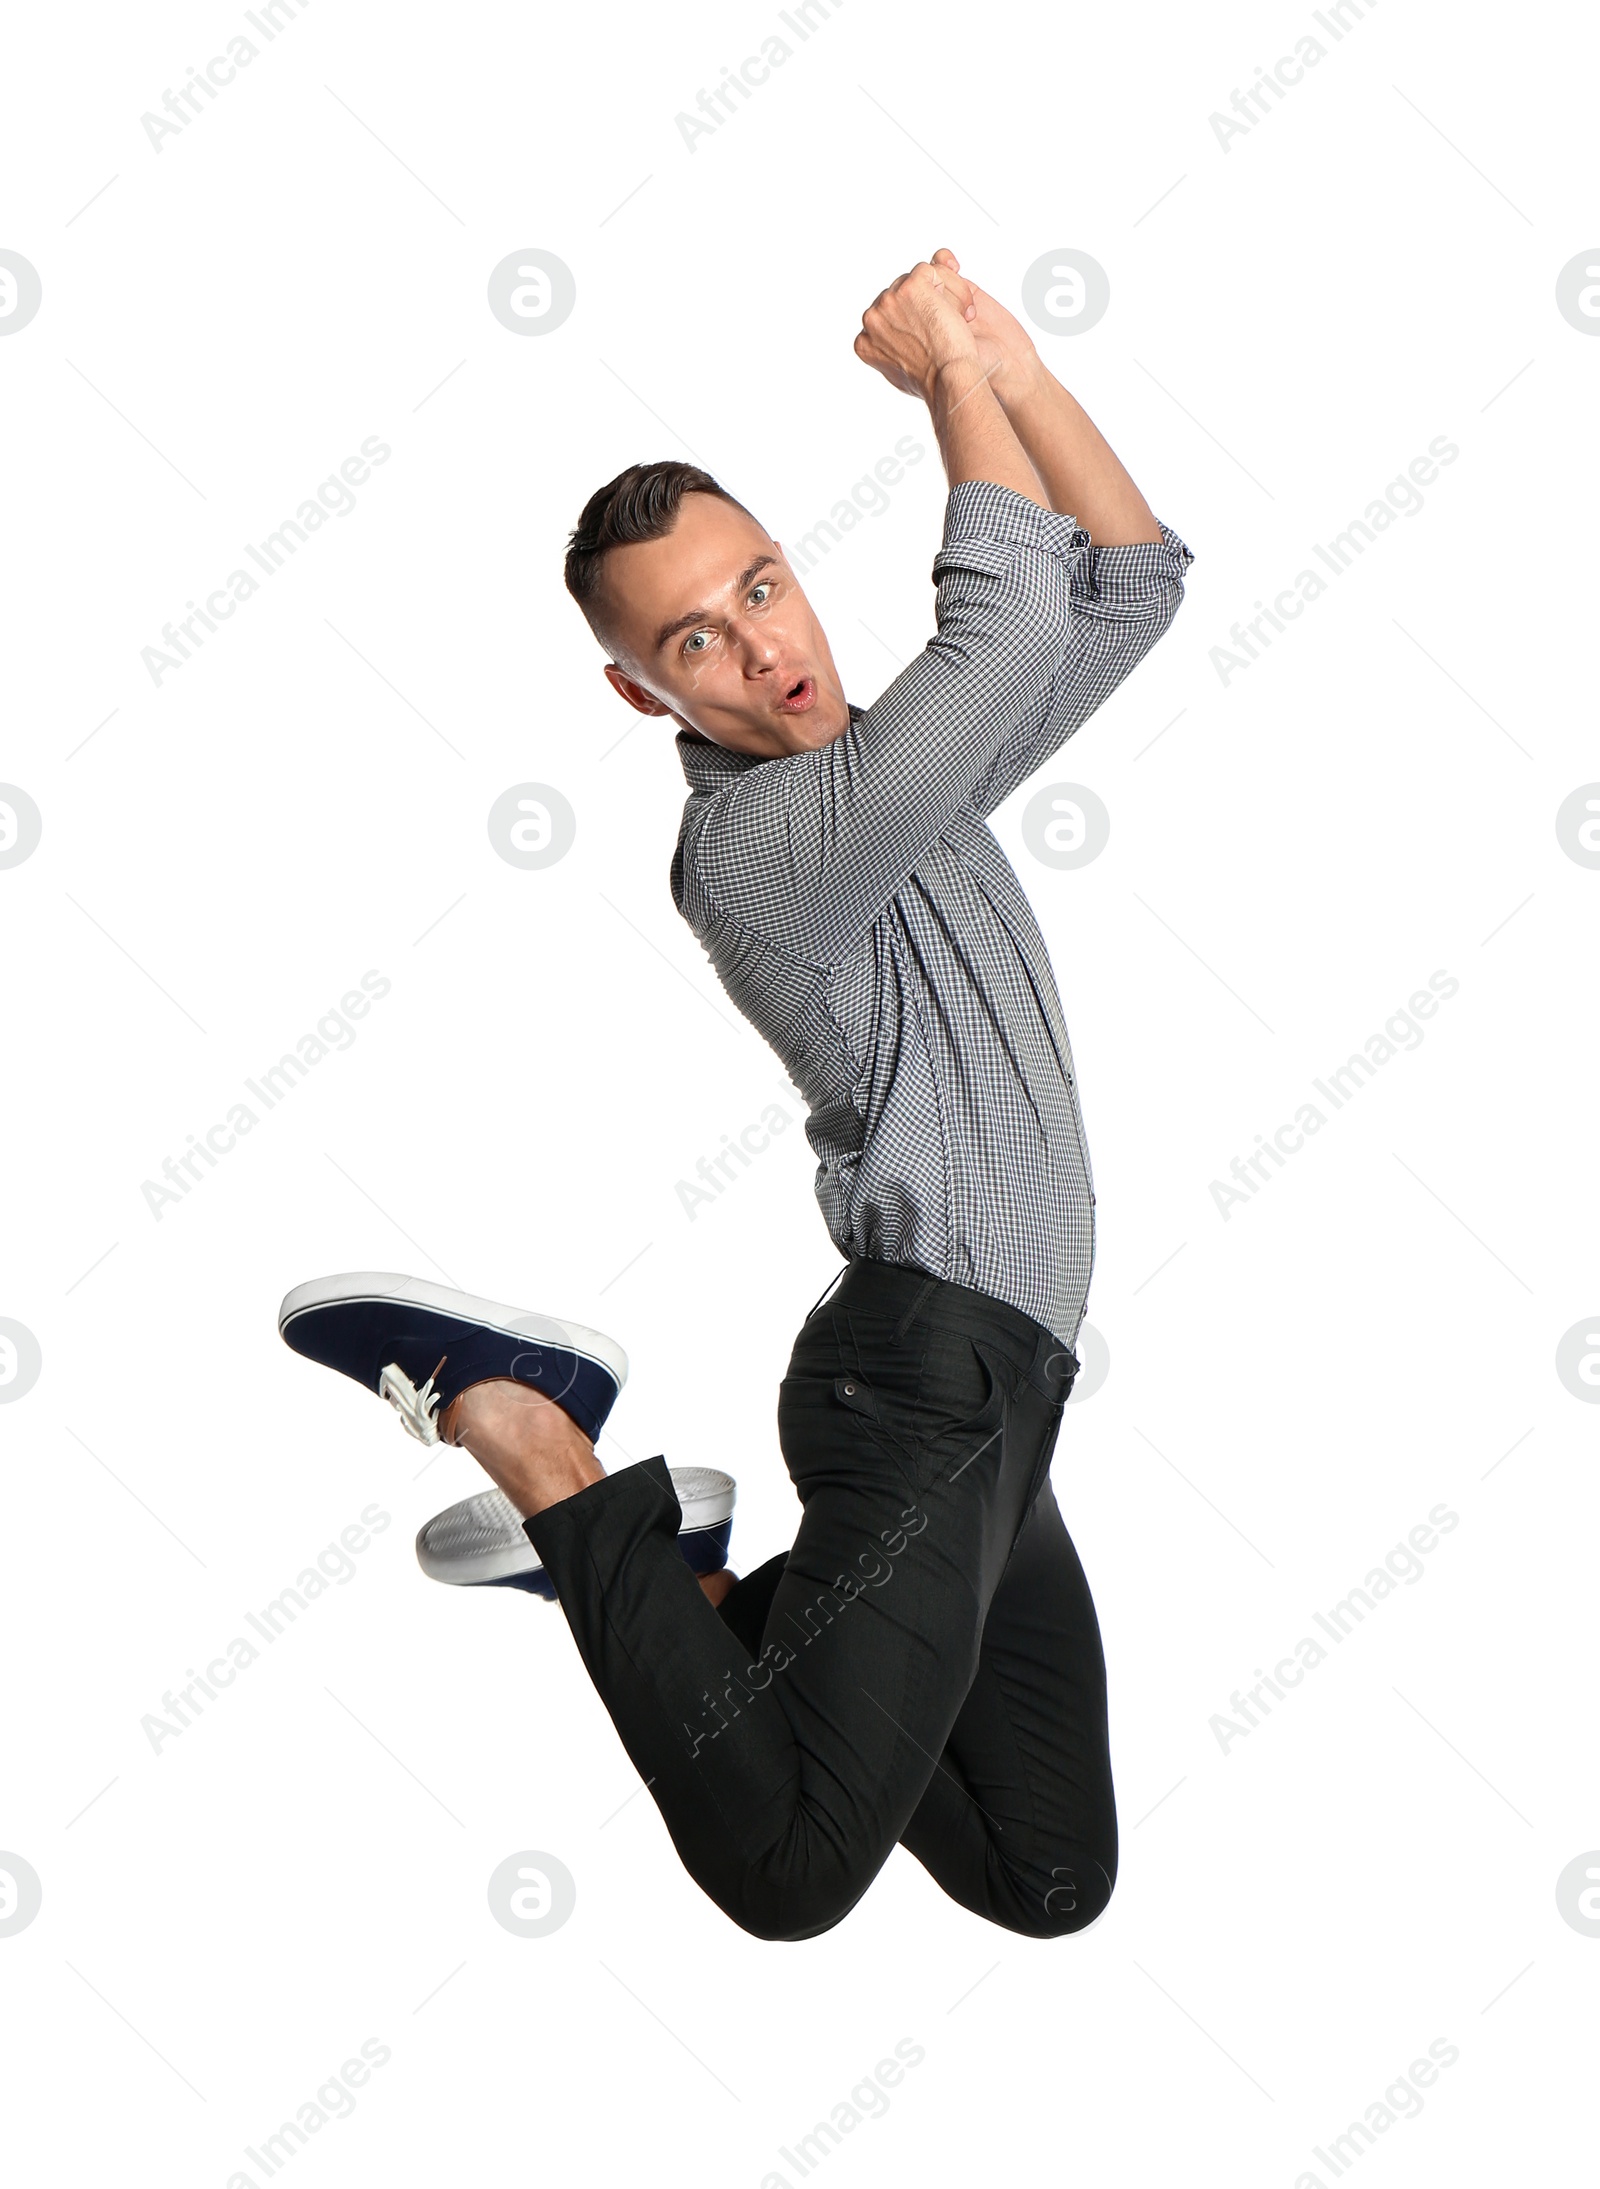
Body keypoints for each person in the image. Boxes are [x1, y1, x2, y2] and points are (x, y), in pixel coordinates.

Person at [279, 248, 1194, 1942]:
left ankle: (687, 1584)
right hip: (918, 1383)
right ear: (645, 691)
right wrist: (943, 386)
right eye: (693, 638)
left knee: (1047, 1873)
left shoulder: (893, 782)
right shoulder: (764, 848)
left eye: (761, 588)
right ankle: (536, 1440)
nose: (757, 649)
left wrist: (1004, 360)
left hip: (1011, 1401)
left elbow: (1125, 586)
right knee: (784, 1874)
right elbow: (998, 633)